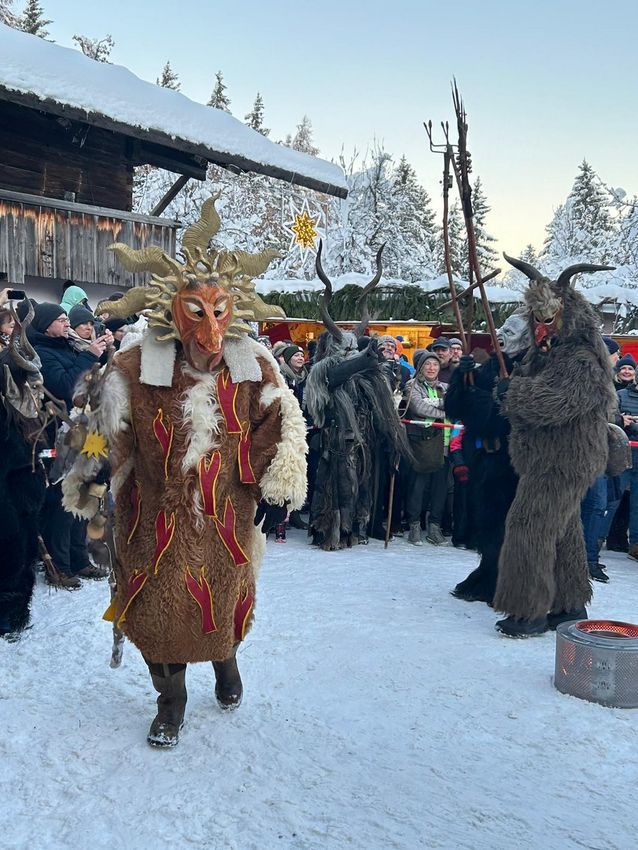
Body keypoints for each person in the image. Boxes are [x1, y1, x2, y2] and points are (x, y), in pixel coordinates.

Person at [63, 198, 308, 747]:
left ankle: (226, 663)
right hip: (155, 520)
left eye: (219, 312)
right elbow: (105, 428)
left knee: (220, 602)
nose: (209, 332)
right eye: (195, 312)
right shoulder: (135, 367)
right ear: (171, 312)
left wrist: (274, 482)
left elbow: (280, 420)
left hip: (226, 520)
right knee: (157, 611)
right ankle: (170, 701)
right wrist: (92, 480)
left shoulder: (252, 366)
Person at [493, 255, 615, 638]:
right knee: (564, 530)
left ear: (566, 317)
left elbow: (556, 401)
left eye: (547, 317)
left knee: (528, 525)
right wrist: (510, 385)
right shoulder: (548, 354)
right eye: (536, 318)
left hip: (563, 461)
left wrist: (514, 392)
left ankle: (527, 611)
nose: (539, 326)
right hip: (548, 458)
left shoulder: (580, 358)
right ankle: (570, 603)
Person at [30, 302, 108, 587]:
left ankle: (79, 559)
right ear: (45, 326)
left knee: (84, 496)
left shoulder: (69, 346)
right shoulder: (42, 353)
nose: (67, 324)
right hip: (58, 436)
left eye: (66, 319)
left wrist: (100, 353)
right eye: (61, 320)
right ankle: (60, 566)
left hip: (86, 432)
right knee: (63, 502)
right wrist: (89, 355)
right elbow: (65, 386)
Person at [0, 305, 47, 638]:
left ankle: (12, 612)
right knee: (11, 547)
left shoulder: (21, 403)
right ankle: (8, 613)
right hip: (8, 492)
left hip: (20, 488)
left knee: (20, 546)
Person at [400, 351, 448, 545]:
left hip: (442, 443)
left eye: (435, 364)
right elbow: (419, 408)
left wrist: (436, 402)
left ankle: (434, 526)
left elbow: (454, 405)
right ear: (420, 367)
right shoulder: (412, 385)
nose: (431, 368)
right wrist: (443, 411)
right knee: (417, 486)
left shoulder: (445, 387)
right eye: (427, 364)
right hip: (419, 441)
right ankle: (414, 525)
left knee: (440, 487)